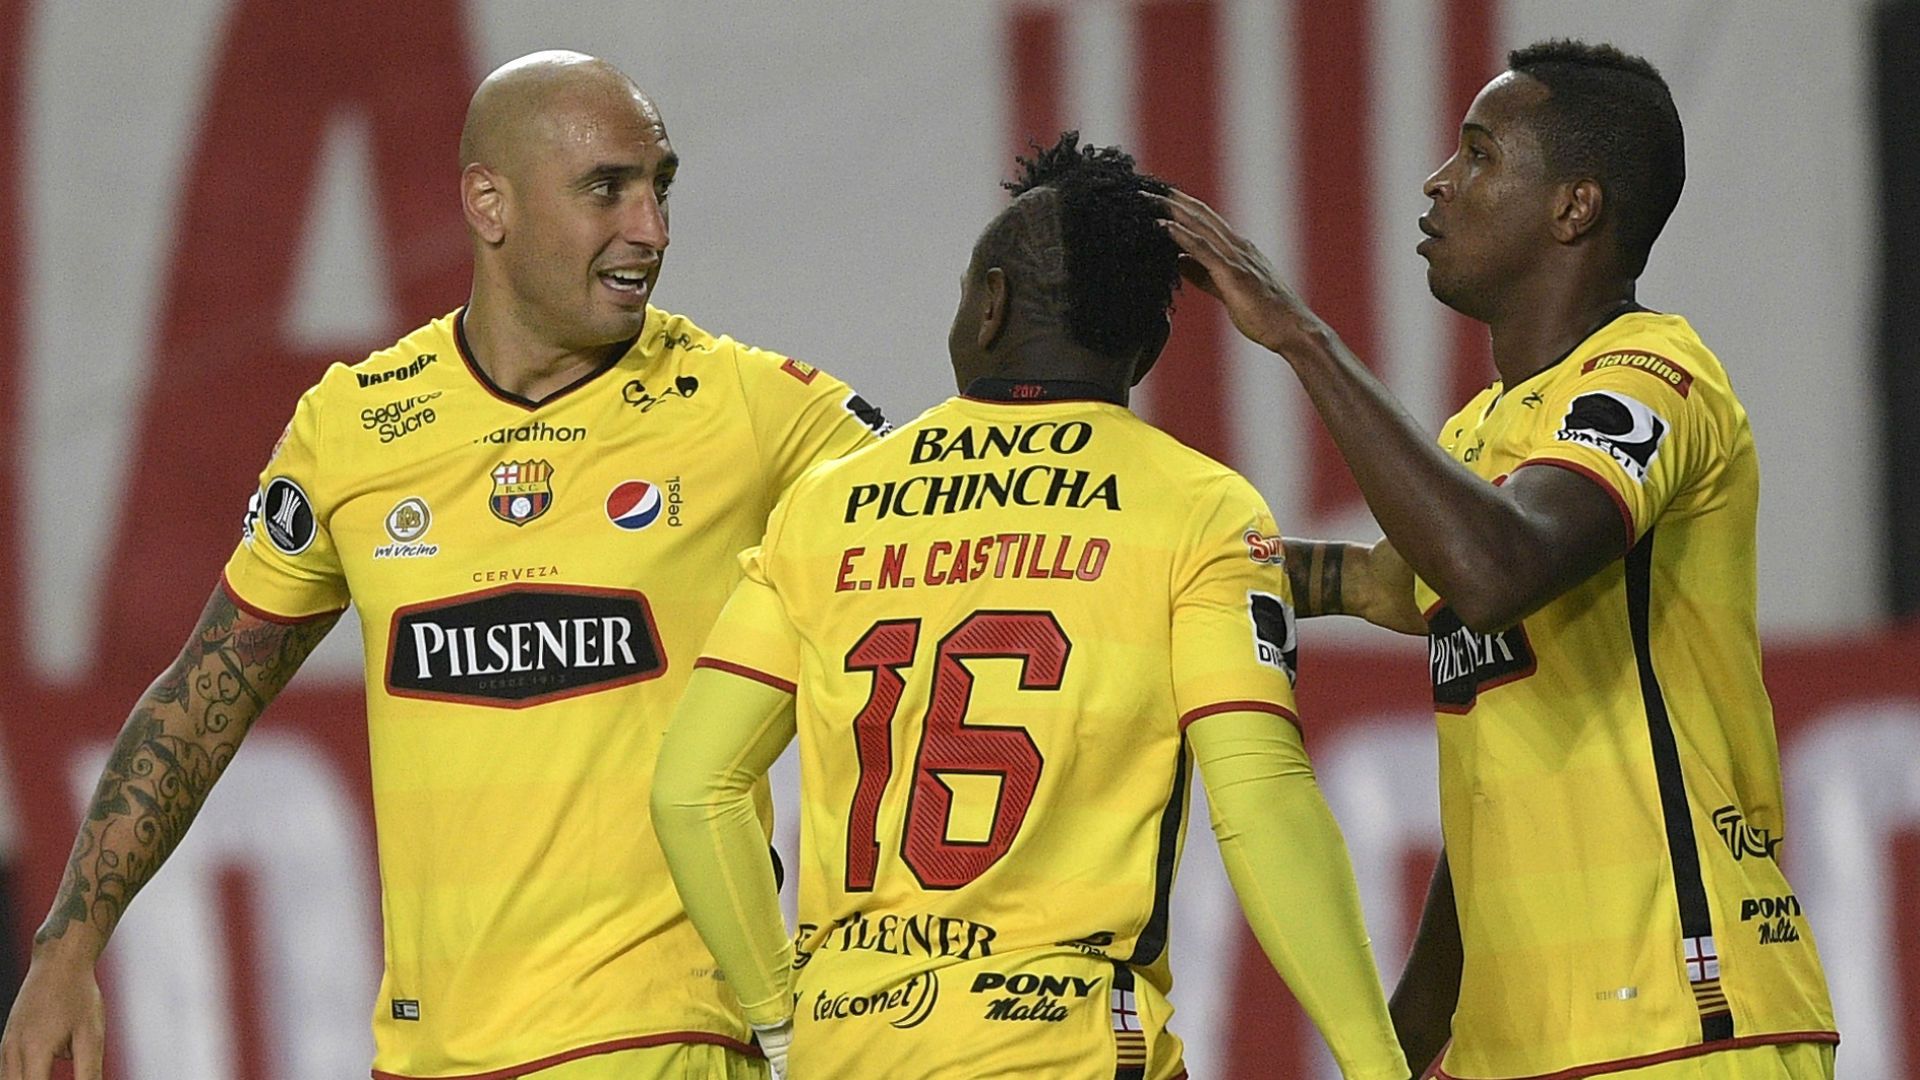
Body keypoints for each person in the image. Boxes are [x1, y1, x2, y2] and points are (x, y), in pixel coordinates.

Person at [1, 51, 886, 1080]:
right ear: (488, 204)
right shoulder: (354, 426)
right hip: (428, 1056)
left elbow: (953, 540)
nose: (651, 228)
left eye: (661, 187)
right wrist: (67, 943)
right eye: (607, 189)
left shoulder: (758, 410)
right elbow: (205, 695)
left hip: (663, 1040)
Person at [649, 133, 1407, 1080]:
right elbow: (1263, 801)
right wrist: (1377, 1066)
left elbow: (693, 790)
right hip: (1062, 1041)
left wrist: (779, 1027)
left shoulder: (826, 506)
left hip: (852, 1042)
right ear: (1149, 348)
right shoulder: (1195, 508)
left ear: (992, 304)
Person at [1160, 38, 1837, 1080]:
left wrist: (1303, 340)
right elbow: (1388, 589)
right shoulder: (1481, 435)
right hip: (1510, 1045)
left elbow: (1495, 571)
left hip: (1679, 1022)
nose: (1437, 181)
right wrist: (1139, 557)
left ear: (1574, 208)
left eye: (1478, 155)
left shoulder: (1656, 375)